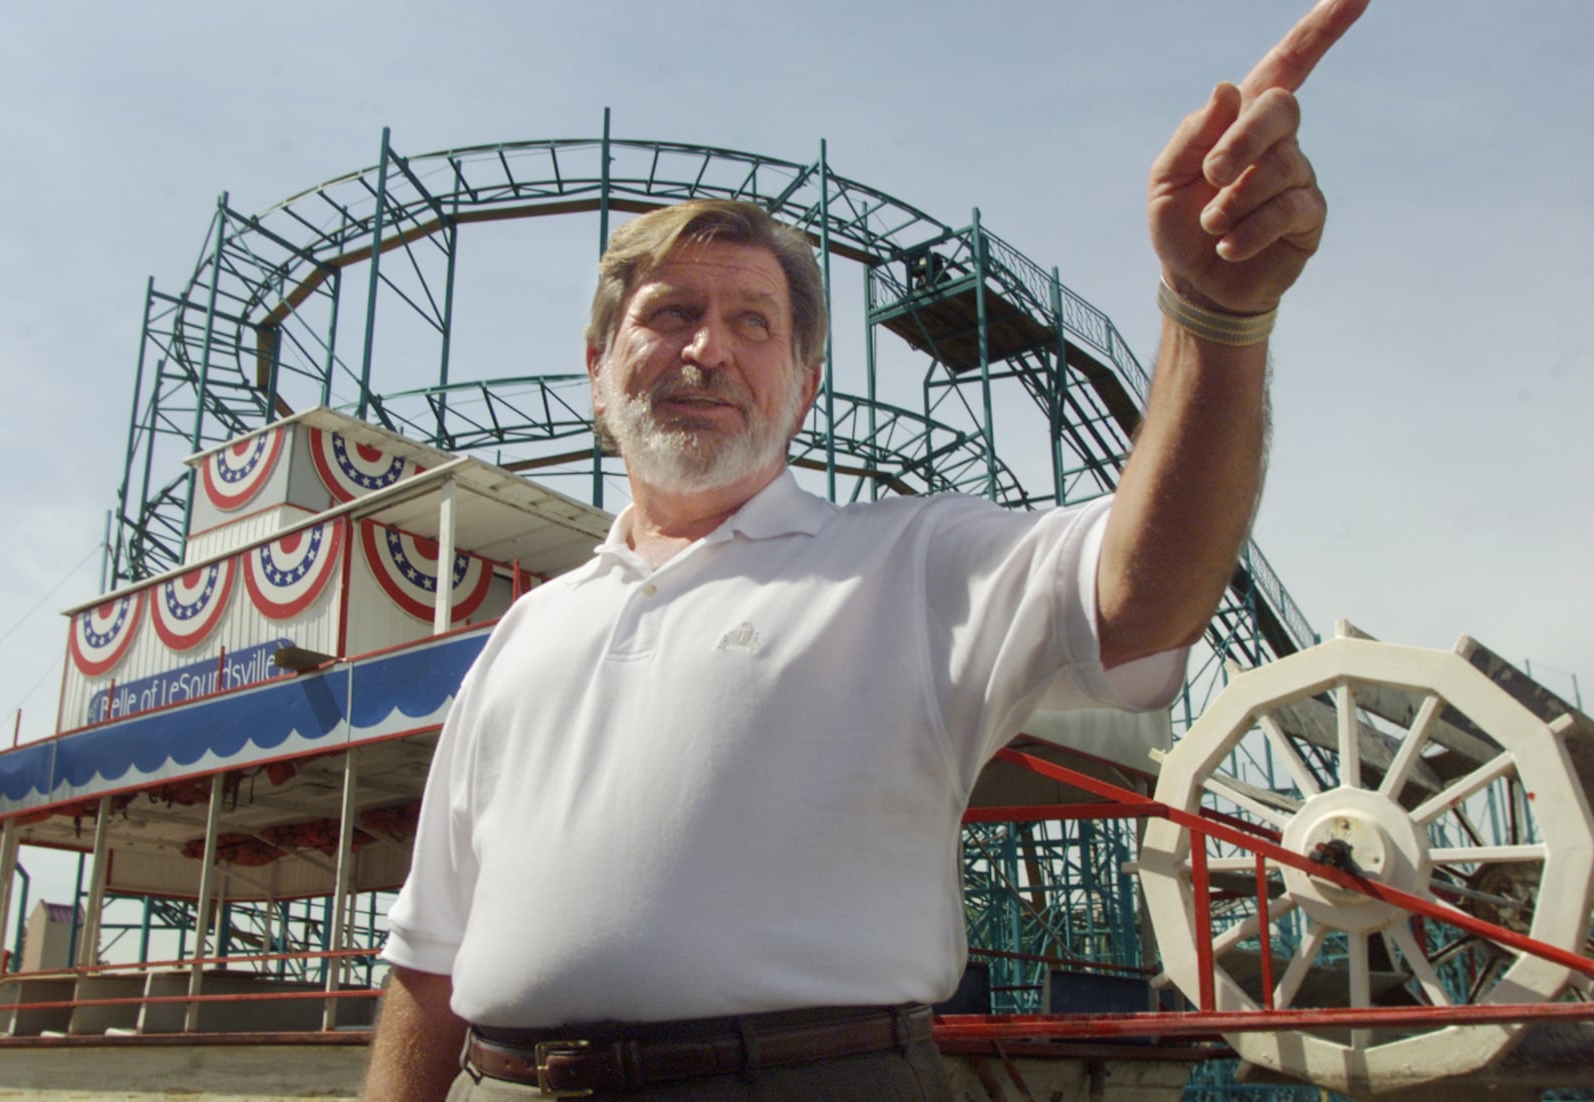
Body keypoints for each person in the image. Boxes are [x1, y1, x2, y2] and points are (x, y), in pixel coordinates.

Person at [363, 2, 1368, 1098]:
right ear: (599, 366)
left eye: (754, 323)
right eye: (669, 313)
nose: (706, 347)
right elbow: (428, 960)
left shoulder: (917, 561)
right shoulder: (523, 632)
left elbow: (1140, 593)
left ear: (802, 389)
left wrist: (1211, 321)